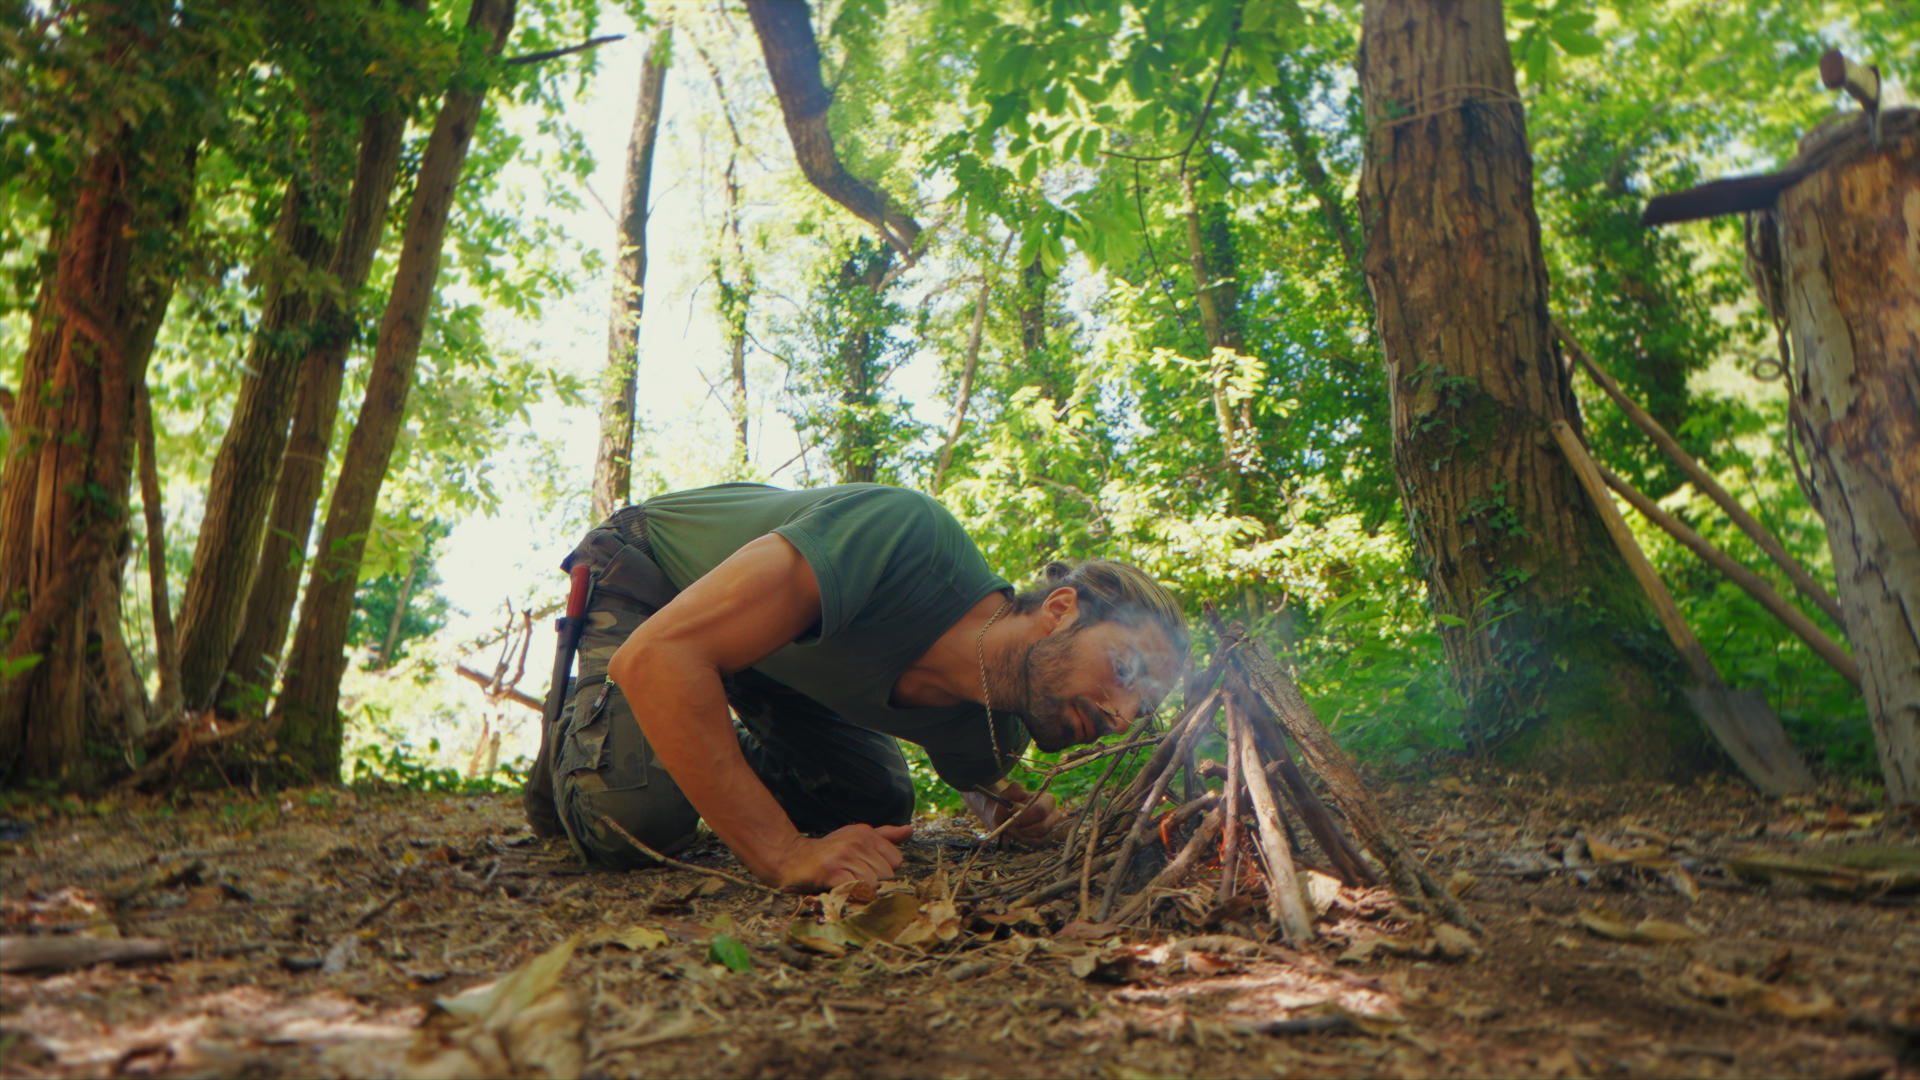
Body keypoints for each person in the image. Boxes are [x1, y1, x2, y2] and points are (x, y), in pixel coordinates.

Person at [522, 482, 1188, 892]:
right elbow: (659, 655)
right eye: (1127, 669)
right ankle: (578, 757)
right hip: (657, 570)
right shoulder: (908, 541)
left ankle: (676, 734)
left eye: (1145, 705)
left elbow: (978, 784)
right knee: (632, 822)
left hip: (767, 657)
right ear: (1061, 608)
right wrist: (782, 853)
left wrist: (1006, 811)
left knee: (875, 801)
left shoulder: (996, 732)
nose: (1127, 714)